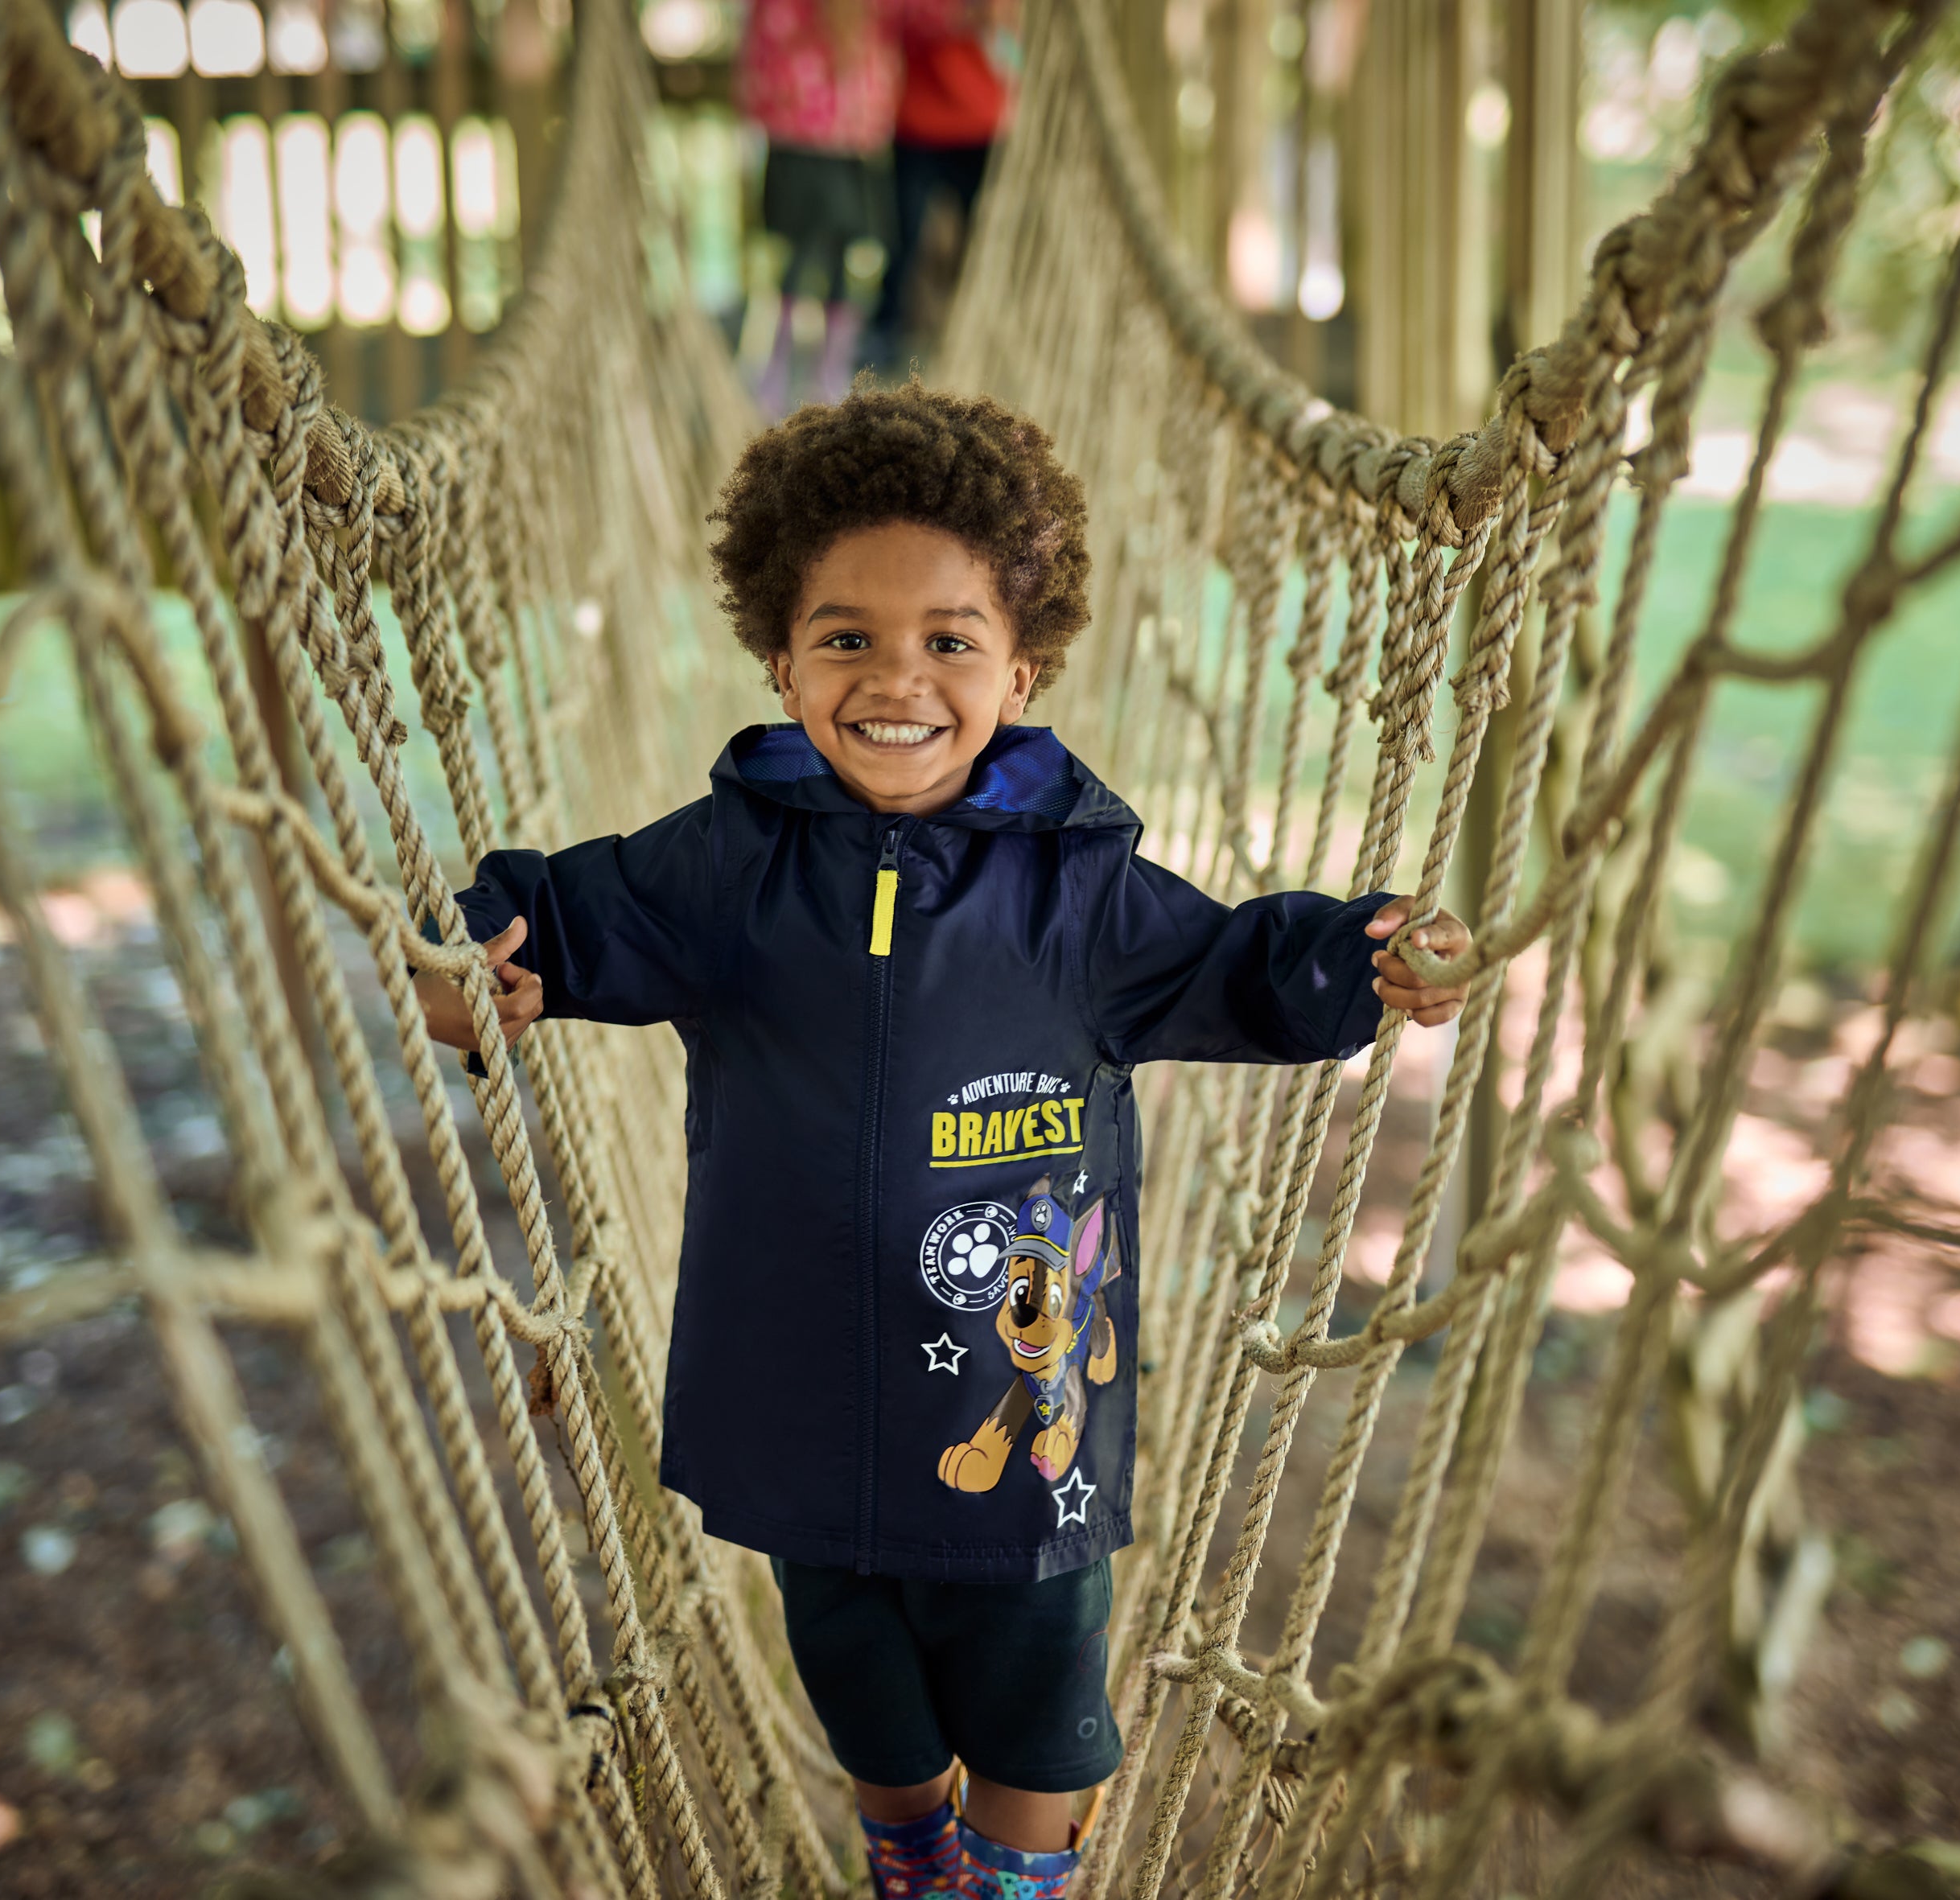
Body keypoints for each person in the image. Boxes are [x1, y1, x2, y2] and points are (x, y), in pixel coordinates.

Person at [416, 386, 1469, 1900]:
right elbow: (558, 924)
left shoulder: (1080, 894)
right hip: (799, 1406)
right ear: (779, 662)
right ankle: (908, 1849)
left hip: (1014, 1425)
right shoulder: (726, 865)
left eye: (948, 641)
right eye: (845, 637)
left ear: (1020, 670)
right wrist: (474, 963)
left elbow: (1239, 963)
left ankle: (1002, 1881)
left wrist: (1366, 957)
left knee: (1040, 1719)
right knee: (861, 1690)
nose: (894, 676)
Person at [737, 0, 903, 411]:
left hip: (853, 143)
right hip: (799, 139)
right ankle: (777, 365)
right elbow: (758, 56)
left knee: (847, 255)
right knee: (793, 256)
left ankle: (830, 371)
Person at [868, 0, 1013, 368]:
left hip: (981, 125)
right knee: (903, 237)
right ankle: (887, 333)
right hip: (917, 126)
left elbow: (1005, 26)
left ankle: (985, 328)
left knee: (985, 241)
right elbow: (891, 20)